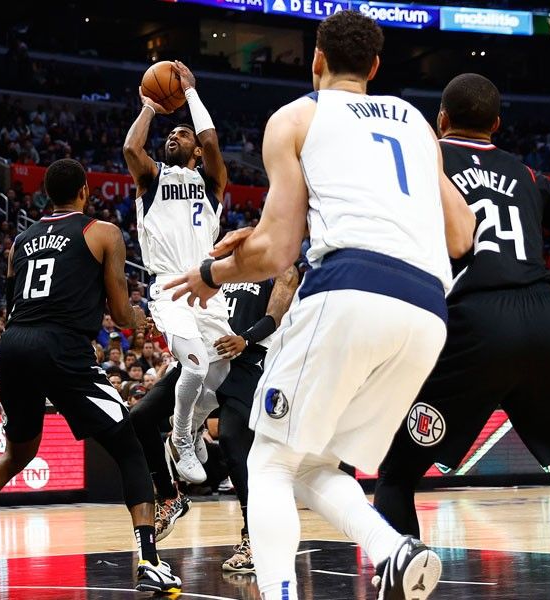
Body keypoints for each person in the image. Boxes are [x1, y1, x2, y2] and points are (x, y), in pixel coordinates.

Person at [165, 12, 475, 600]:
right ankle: (393, 550)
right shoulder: (412, 119)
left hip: (352, 290)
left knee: (269, 464)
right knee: (311, 467)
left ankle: (281, 592)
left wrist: (211, 272)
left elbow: (278, 252)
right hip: (427, 310)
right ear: (376, 67)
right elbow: (461, 235)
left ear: (316, 60)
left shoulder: (297, 118)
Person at [373, 73, 550, 539]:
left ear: (441, 118)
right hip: (546, 321)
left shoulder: (422, 165)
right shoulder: (529, 176)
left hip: (473, 325)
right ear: (497, 124)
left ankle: (401, 582)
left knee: (397, 475)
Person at [0, 158, 181, 593]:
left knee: (18, 453)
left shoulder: (19, 240)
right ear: (84, 191)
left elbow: (12, 302)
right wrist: (144, 318)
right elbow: (120, 314)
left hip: (14, 344)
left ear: (45, 196)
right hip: (60, 348)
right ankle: (150, 562)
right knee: (129, 446)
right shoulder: (102, 232)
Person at [130, 267, 298, 573]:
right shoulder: (218, 270)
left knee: (233, 439)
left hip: (248, 359)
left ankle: (254, 538)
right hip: (208, 355)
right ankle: (169, 496)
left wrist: (245, 340)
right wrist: (167, 323)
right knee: (140, 417)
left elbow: (275, 315)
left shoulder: (280, 268)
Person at [123, 60, 233, 485]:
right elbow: (133, 150)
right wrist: (151, 107)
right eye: (171, 133)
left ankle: (188, 425)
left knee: (221, 368)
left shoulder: (212, 182)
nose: (175, 135)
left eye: (181, 133)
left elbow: (211, 140)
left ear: (198, 151)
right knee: (195, 366)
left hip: (207, 286)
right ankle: (183, 436)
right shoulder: (153, 178)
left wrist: (189, 93)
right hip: (169, 287)